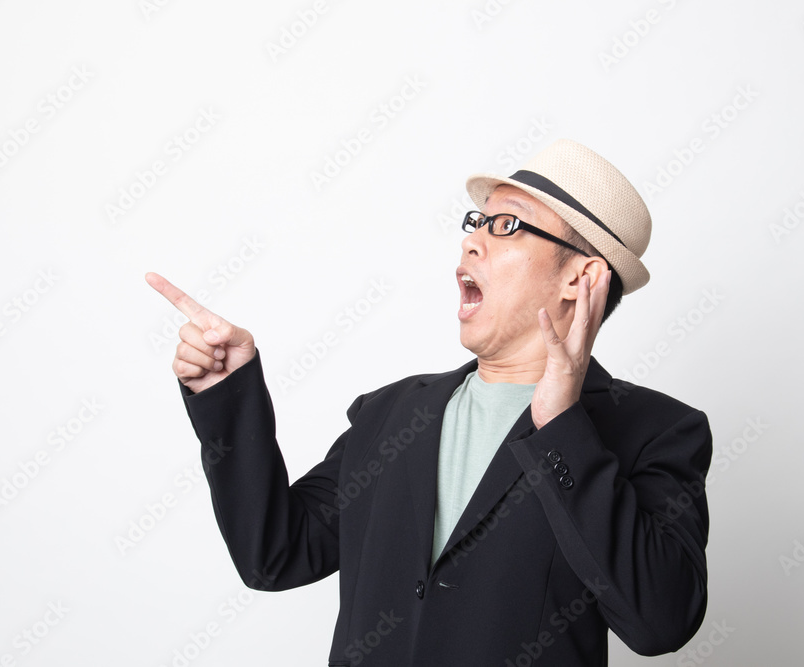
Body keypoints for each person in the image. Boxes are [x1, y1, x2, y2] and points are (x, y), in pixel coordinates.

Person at [147, 138, 712, 666]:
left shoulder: (657, 432)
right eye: (477, 221)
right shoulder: (390, 415)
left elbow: (660, 623)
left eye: (508, 225)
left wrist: (562, 425)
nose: (472, 240)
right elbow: (274, 555)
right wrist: (227, 396)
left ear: (580, 278)